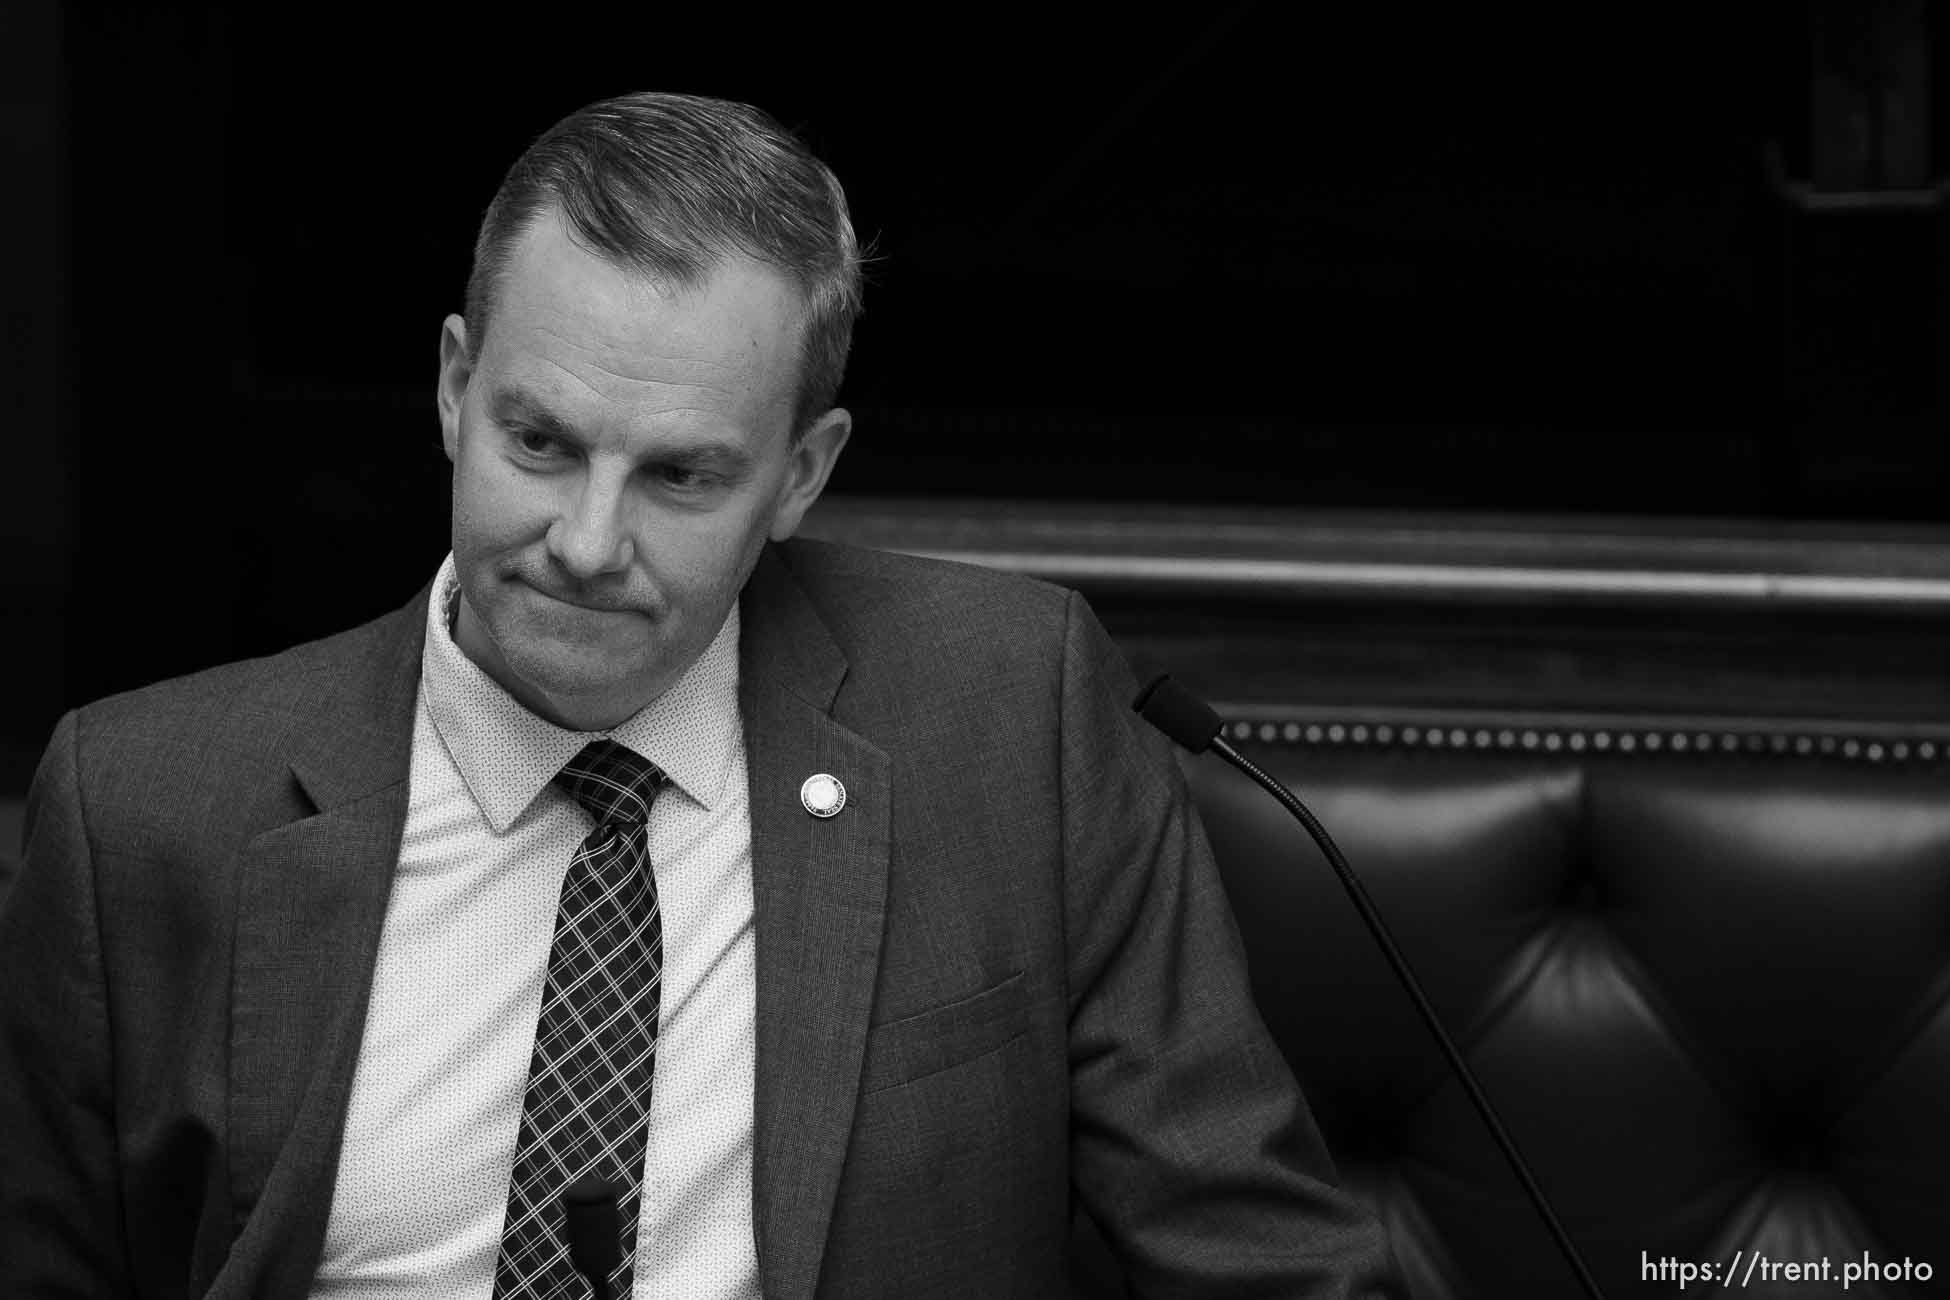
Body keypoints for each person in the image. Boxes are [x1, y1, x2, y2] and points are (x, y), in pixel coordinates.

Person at [0, 92, 1400, 1298]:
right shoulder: (138, 807)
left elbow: (1256, 1256)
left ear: (799, 474)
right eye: (539, 443)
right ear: (450, 388)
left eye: (679, 475)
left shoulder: (1006, 715)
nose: (588, 544)